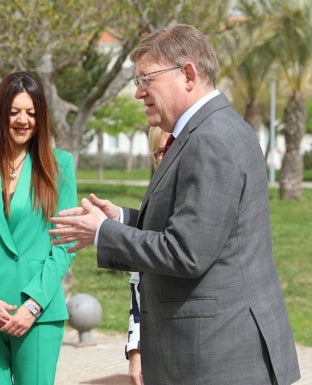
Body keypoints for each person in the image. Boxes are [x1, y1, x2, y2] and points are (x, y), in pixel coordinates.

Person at [49, 24, 300, 385]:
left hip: (215, 357)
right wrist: (121, 219)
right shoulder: (210, 131)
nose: (138, 93)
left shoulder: (211, 140)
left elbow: (186, 252)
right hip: (212, 350)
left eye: (146, 79)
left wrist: (105, 233)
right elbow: (196, 229)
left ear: (188, 74)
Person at [0, 71, 77, 385]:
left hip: (38, 310)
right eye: (14, 112)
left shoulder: (59, 165)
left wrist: (33, 304)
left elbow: (64, 243)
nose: (23, 120)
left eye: (31, 113)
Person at [126, 126, 170, 385]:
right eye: (161, 151)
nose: (168, 156)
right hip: (157, 342)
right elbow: (138, 284)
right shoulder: (150, 203)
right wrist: (136, 349)